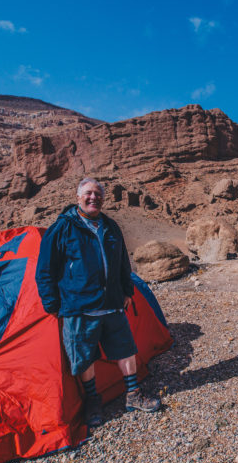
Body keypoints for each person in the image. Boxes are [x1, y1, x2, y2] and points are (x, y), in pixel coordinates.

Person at [35, 177, 161, 427]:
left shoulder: (110, 226)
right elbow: (45, 270)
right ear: (78, 197)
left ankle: (133, 394)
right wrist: (52, 305)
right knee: (85, 357)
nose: (94, 198)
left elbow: (124, 263)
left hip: (113, 304)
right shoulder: (62, 228)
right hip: (79, 308)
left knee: (126, 350)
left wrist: (127, 291)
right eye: (88, 194)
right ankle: (93, 399)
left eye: (98, 194)